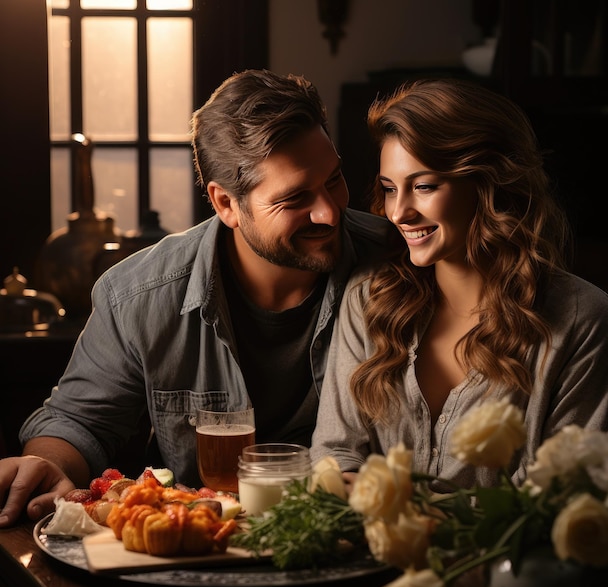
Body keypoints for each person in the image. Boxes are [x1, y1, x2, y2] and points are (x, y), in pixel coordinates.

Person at [0, 69, 398, 527]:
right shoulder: (137, 295)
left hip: (346, 544)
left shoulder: (399, 263)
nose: (330, 212)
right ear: (226, 204)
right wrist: (48, 462)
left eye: (334, 180)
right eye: (294, 199)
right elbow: (79, 421)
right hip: (196, 552)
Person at [310, 77, 608, 490]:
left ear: (486, 183)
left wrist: (409, 509)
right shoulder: (368, 299)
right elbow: (335, 454)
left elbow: (564, 501)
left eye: (423, 186)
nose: (399, 212)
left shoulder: (582, 322)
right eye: (389, 189)